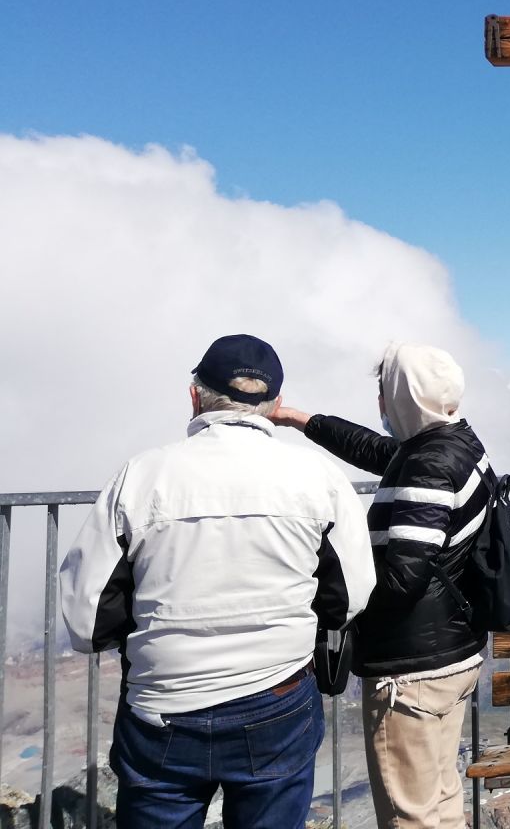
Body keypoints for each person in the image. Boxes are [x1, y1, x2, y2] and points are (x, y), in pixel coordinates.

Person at [60, 334, 376, 829]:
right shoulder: (318, 476)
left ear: (194, 395)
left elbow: (87, 618)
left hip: (163, 707)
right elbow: (350, 595)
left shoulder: (140, 477)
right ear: (274, 405)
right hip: (278, 697)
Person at [270, 342, 491, 829]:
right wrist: (301, 420)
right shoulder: (454, 446)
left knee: (409, 814)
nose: (380, 404)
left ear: (403, 397)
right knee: (441, 799)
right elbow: (380, 452)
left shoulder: (429, 467)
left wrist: (329, 587)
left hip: (411, 673)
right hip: (451, 652)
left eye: (383, 392)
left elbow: (402, 578)